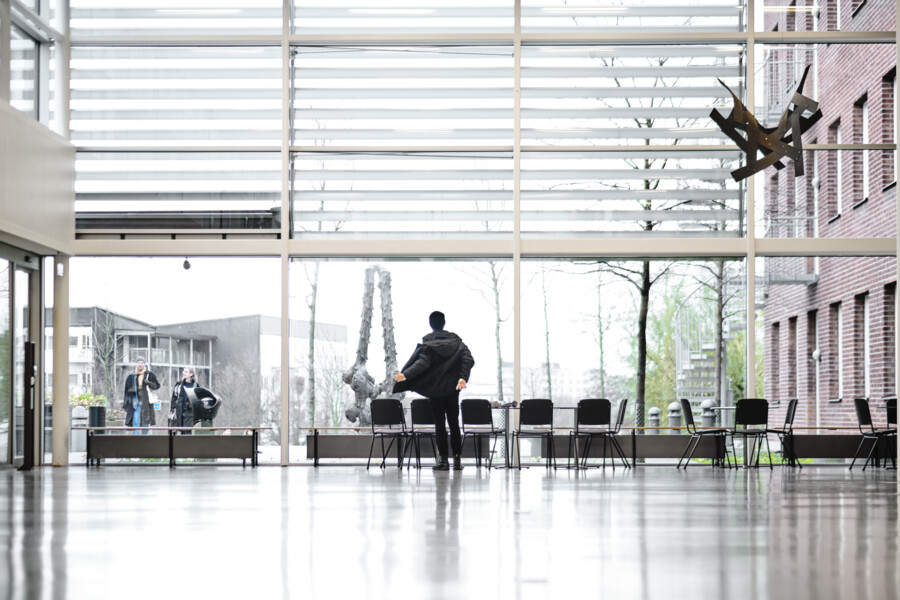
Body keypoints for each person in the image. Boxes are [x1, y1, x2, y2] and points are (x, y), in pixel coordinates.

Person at [393, 311, 474, 471]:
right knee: (454, 424)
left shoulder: (428, 345)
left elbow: (422, 364)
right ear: (444, 323)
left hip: (435, 390)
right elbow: (468, 359)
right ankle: (457, 460)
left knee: (440, 425)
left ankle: (443, 461)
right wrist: (462, 377)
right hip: (453, 389)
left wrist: (405, 375)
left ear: (431, 325)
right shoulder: (457, 343)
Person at [122, 359, 160, 434]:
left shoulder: (149, 375)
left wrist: (149, 383)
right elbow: (126, 391)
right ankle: (135, 440)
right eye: (138, 363)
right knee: (135, 421)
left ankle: (144, 440)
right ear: (136, 364)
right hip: (135, 402)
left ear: (144, 364)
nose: (140, 364)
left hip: (146, 402)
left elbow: (157, 386)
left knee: (145, 422)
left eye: (142, 363)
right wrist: (126, 403)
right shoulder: (131, 376)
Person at [169, 366, 197, 433]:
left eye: (186, 372)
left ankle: (187, 443)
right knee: (181, 431)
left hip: (189, 411)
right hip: (180, 410)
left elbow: (197, 399)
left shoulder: (195, 385)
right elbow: (174, 397)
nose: (184, 373)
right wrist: (172, 409)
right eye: (184, 371)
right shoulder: (179, 384)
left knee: (187, 430)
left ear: (191, 374)